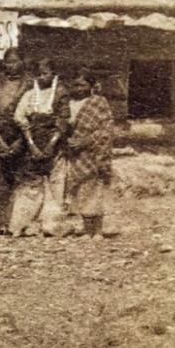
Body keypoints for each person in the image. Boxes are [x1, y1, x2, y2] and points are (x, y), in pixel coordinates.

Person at [7, 58, 70, 237]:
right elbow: (20, 118)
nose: (42, 77)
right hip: (32, 144)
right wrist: (32, 144)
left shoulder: (60, 93)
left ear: (54, 74)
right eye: (39, 74)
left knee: (56, 184)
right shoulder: (29, 94)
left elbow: (63, 121)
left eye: (46, 73)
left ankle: (52, 226)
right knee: (30, 185)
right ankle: (22, 225)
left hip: (54, 146)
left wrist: (51, 144)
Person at [0, 48, 33, 235]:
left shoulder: (30, 86)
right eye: (7, 62)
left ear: (23, 62)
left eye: (14, 61)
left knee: (22, 180)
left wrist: (21, 141)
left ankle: (19, 224)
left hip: (23, 140)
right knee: (0, 181)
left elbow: (34, 116)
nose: (10, 66)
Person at [63, 69, 114, 237]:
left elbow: (106, 128)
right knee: (81, 190)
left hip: (94, 152)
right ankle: (86, 229)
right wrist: (69, 141)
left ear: (91, 86)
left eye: (83, 85)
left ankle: (98, 230)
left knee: (95, 189)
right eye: (75, 85)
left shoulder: (99, 102)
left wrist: (86, 141)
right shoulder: (69, 103)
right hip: (76, 154)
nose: (78, 88)